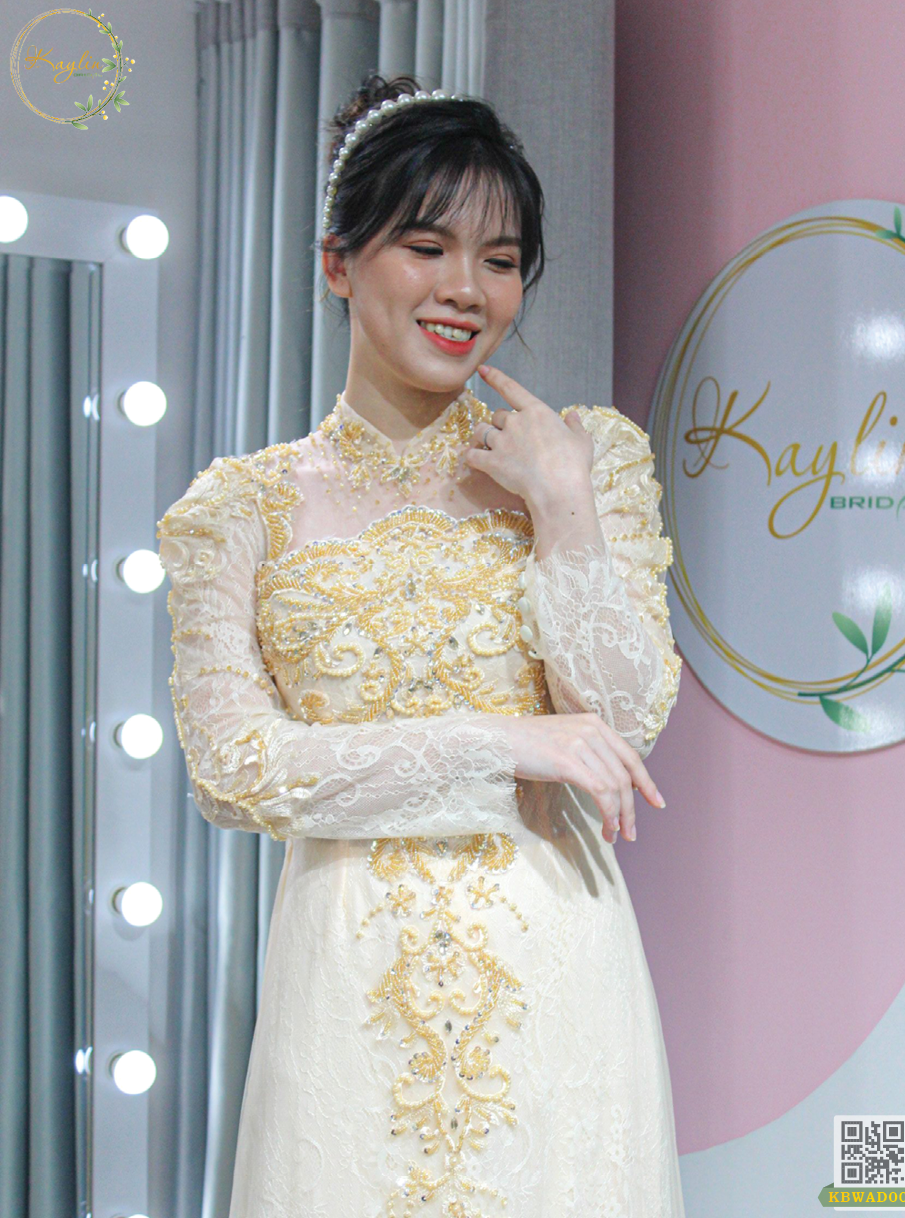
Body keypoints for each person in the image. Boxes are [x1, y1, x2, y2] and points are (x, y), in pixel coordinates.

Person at [157, 72, 686, 1218]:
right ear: (337, 262)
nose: (465, 289)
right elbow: (235, 768)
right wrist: (502, 741)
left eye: (500, 259)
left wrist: (564, 509)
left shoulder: (584, 459)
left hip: (557, 968)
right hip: (347, 985)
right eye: (426, 245)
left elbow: (625, 720)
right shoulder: (237, 509)